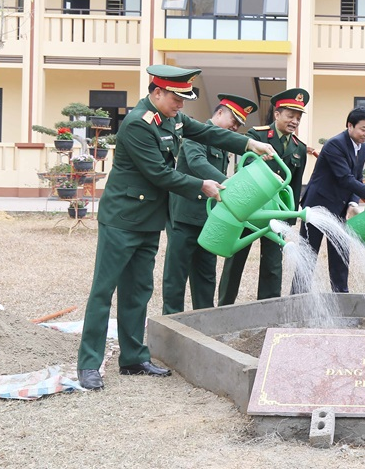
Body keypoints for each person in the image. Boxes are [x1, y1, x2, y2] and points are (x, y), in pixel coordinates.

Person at [77, 65, 276, 391]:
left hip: (149, 221)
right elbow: (158, 174)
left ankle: (133, 358)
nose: (181, 105)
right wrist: (204, 186)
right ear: (157, 93)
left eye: (184, 99)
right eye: (176, 98)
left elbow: (208, 132)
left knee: (138, 290)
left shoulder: (171, 119)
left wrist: (249, 145)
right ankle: (88, 364)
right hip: (122, 220)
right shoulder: (138, 125)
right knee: (104, 291)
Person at [161, 94, 258, 314]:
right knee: (176, 276)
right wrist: (228, 185)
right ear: (220, 112)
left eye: (239, 125)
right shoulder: (196, 133)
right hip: (184, 216)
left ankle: (204, 323)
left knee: (206, 275)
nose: (235, 127)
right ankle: (171, 324)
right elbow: (197, 162)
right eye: (234, 121)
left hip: (208, 219)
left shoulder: (221, 143)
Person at [218, 89, 311, 306]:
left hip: (275, 213)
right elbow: (246, 168)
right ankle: (224, 306)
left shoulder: (300, 148)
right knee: (235, 260)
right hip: (249, 209)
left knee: (272, 264)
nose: (294, 121)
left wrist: (288, 221)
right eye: (290, 115)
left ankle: (268, 310)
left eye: (298, 118)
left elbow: (295, 187)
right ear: (277, 114)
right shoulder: (257, 136)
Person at [293, 106, 365, 293]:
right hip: (317, 206)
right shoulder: (334, 145)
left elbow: (357, 178)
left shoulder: (362, 148)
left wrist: (354, 203)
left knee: (341, 253)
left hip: (340, 208)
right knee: (308, 255)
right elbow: (344, 178)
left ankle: (341, 296)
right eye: (363, 129)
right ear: (350, 125)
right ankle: (297, 299)